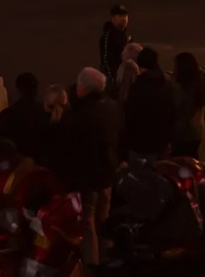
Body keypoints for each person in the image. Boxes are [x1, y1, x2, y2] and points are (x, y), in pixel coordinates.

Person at [57, 68, 123, 269]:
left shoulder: (81, 115)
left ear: (83, 88)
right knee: (105, 216)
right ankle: (107, 254)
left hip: (89, 176)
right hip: (108, 172)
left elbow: (73, 146)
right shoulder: (112, 108)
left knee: (88, 221)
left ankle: (92, 264)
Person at [123, 47, 178, 160]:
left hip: (141, 144)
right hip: (161, 142)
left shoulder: (139, 86)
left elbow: (130, 114)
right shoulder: (165, 83)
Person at [0, 72, 50, 162]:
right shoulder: (46, 113)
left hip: (17, 163)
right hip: (41, 163)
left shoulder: (8, 114)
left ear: (18, 89)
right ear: (36, 88)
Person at [171, 52, 205, 159]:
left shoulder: (180, 88)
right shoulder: (198, 83)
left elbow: (180, 111)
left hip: (183, 135)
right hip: (196, 132)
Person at [99, 4, 131, 85]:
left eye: (126, 15)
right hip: (114, 82)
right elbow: (106, 61)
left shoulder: (128, 37)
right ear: (113, 18)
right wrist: (113, 80)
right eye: (120, 15)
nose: (124, 18)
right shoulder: (108, 37)